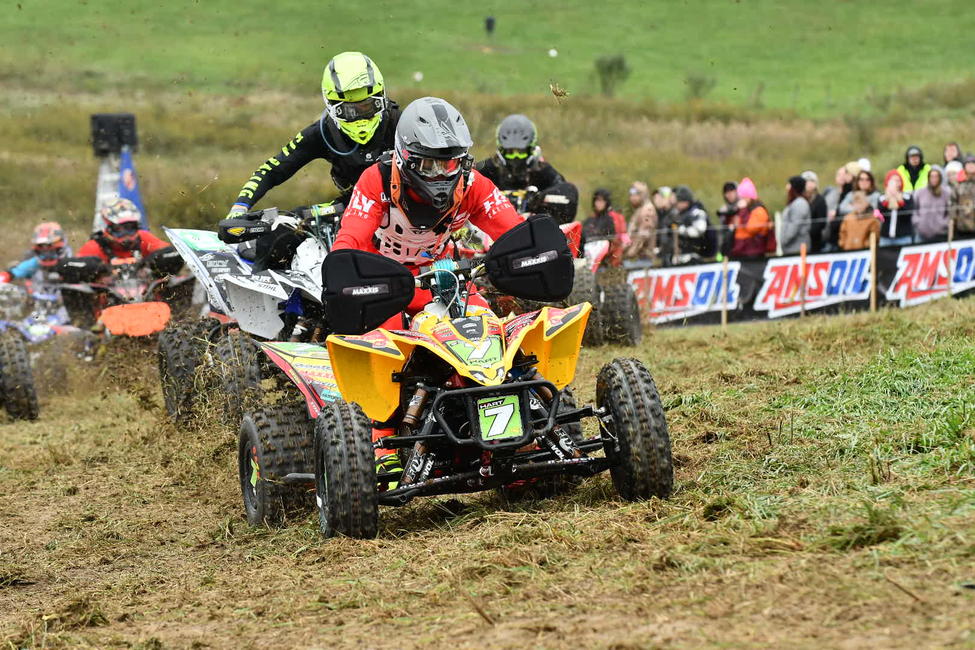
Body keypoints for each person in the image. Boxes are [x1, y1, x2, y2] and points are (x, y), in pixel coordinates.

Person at [331, 97, 524, 480]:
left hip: (442, 275)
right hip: (382, 279)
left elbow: (513, 230)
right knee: (385, 345)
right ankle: (382, 440)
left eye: (449, 163)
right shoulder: (376, 179)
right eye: (428, 164)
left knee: (490, 332)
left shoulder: (473, 184)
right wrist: (345, 271)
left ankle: (511, 427)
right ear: (405, 157)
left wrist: (533, 253)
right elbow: (350, 237)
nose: (439, 174)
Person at [227, 52, 399, 217]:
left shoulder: (401, 123)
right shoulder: (322, 132)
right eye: (349, 111)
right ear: (331, 106)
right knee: (297, 219)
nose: (359, 118)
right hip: (352, 209)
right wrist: (239, 208)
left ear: (381, 98)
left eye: (367, 106)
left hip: (403, 209)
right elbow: (273, 169)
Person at [474, 114, 577, 222]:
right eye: (510, 152)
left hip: (532, 225)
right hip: (489, 224)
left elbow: (566, 191)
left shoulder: (541, 169)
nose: (516, 157)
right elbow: (468, 181)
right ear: (501, 150)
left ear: (531, 149)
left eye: (521, 152)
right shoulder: (488, 168)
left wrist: (539, 198)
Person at [77, 199, 171, 263]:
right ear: (108, 228)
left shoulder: (143, 237)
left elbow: (169, 251)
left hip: (145, 285)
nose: (126, 235)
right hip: (108, 286)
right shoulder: (94, 247)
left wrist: (152, 260)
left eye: (131, 228)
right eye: (119, 229)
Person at [0, 222, 72, 284]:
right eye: (41, 246)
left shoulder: (71, 263)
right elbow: (13, 273)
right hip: (37, 294)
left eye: (50, 245)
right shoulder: (34, 263)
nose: (46, 251)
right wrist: (5, 277)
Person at [661, 185, 710, 265]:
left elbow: (699, 230)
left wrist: (680, 230)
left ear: (685, 202)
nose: (676, 205)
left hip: (695, 255)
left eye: (678, 202)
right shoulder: (678, 213)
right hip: (679, 255)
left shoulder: (697, 213)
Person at [728, 177, 771, 260]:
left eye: (744, 197)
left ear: (750, 197)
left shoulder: (759, 210)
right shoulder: (746, 210)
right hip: (742, 253)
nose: (742, 200)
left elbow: (751, 229)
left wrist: (743, 211)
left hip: (754, 254)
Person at [582, 188, 628, 266]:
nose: (599, 203)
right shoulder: (590, 219)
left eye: (602, 201)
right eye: (597, 200)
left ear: (607, 202)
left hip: (606, 258)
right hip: (589, 255)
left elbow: (615, 241)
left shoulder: (611, 219)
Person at [822, 162, 857, 251]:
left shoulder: (852, 192)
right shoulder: (829, 192)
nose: (842, 177)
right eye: (839, 174)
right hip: (828, 232)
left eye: (844, 174)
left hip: (843, 233)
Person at [912, 166, 950, 243]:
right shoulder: (920, 192)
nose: (934, 179)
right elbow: (914, 210)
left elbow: (949, 211)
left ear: (940, 178)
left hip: (941, 233)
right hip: (922, 233)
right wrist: (918, 223)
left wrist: (944, 223)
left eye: (936, 176)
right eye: (932, 176)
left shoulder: (946, 192)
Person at [878, 170, 915, 246]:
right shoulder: (882, 198)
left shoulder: (907, 197)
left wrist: (899, 200)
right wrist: (887, 200)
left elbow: (909, 213)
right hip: (885, 238)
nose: (895, 183)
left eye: (898, 180)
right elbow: (880, 215)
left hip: (903, 237)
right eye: (893, 180)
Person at [624, 181, 658, 262]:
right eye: (631, 195)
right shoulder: (639, 210)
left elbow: (643, 235)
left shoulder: (647, 210)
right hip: (638, 257)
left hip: (643, 258)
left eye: (636, 195)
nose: (632, 198)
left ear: (643, 195)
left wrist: (630, 253)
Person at [780, 175, 811, 255]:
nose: (787, 187)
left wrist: (784, 240)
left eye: (789, 185)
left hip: (796, 249)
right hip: (791, 249)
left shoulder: (799, 204)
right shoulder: (794, 203)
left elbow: (794, 227)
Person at [802, 171, 827, 252]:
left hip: (815, 241)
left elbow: (822, 222)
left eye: (812, 181)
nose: (809, 184)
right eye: (807, 181)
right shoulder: (800, 200)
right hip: (801, 240)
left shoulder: (820, 200)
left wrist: (808, 231)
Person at [951, 155, 975, 238]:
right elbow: (953, 204)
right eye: (968, 163)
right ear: (964, 167)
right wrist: (953, 221)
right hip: (962, 228)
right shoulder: (958, 186)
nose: (971, 165)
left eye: (973, 163)